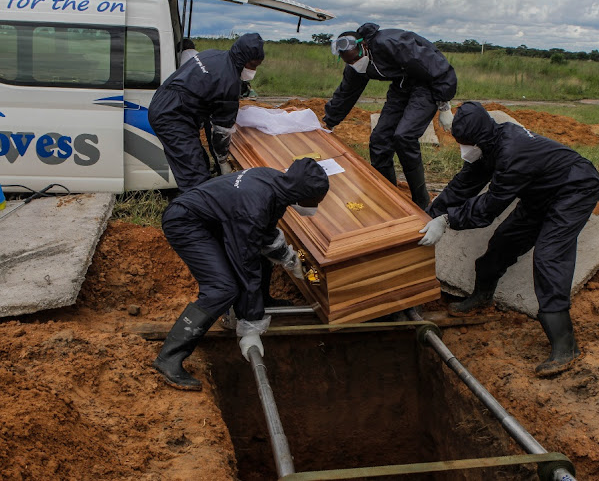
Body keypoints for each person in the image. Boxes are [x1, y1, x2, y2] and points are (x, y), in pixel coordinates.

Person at [418, 102, 599, 377]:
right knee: (503, 243)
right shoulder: (489, 143)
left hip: (574, 188)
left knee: (549, 255)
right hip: (539, 192)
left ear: (478, 139)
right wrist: (426, 216)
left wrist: (447, 221)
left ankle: (566, 346)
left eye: (465, 143)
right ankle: (481, 298)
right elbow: (464, 185)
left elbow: (490, 207)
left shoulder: (512, 152)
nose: (463, 149)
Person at [153, 158, 330, 390]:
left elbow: (262, 232)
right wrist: (251, 326)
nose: (315, 207)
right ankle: (169, 358)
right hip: (186, 223)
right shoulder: (253, 206)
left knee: (256, 257)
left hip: (209, 219)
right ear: (301, 194)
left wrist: (287, 257)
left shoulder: (274, 181)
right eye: (315, 201)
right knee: (222, 288)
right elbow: (245, 265)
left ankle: (264, 302)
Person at [323, 23, 457, 210]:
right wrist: (329, 122)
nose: (354, 63)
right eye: (348, 61)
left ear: (364, 46)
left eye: (355, 58)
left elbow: (435, 65)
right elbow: (346, 93)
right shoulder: (355, 65)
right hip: (401, 86)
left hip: (427, 85)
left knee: (404, 136)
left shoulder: (391, 43)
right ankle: (389, 197)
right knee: (379, 140)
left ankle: (422, 201)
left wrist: (444, 104)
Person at [148, 33, 265, 192]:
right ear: (244, 58)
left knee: (200, 161)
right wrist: (223, 162)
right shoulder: (229, 82)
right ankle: (195, 211)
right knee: (194, 176)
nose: (253, 70)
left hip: (165, 101)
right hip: (173, 115)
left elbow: (212, 122)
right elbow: (220, 132)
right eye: (252, 64)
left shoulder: (214, 54)